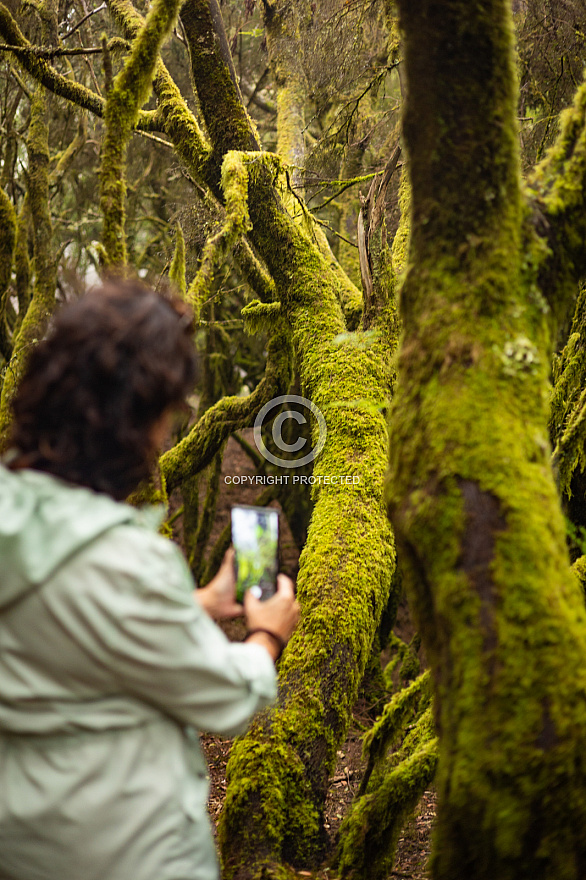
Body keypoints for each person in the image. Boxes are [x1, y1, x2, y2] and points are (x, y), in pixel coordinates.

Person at [0, 279, 299, 880]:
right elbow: (227, 700)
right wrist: (266, 635)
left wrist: (198, 602)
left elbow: (60, 615)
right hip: (124, 849)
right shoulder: (124, 558)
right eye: (168, 411)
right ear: (134, 422)